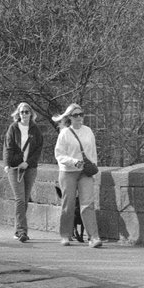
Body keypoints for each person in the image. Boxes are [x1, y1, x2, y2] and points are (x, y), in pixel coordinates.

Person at [53, 102, 102, 248]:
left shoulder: (88, 131)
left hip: (85, 172)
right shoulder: (65, 133)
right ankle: (65, 235)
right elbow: (59, 155)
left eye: (81, 114)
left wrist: (92, 167)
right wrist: (74, 162)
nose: (79, 117)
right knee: (68, 204)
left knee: (88, 204)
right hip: (68, 172)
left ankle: (93, 237)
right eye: (76, 115)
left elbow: (93, 152)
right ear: (70, 117)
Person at [3, 102, 43, 242]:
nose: (24, 114)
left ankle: (17, 229)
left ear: (31, 113)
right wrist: (7, 164)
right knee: (20, 199)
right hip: (15, 168)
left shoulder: (35, 129)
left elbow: (38, 149)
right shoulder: (13, 128)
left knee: (25, 200)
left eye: (27, 112)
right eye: (22, 112)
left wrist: (28, 163)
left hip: (30, 168)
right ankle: (22, 232)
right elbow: (8, 147)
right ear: (18, 114)